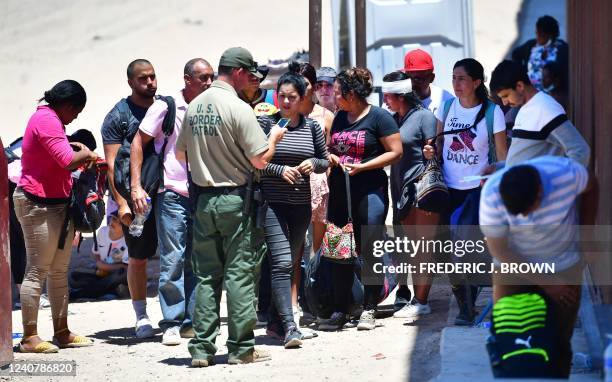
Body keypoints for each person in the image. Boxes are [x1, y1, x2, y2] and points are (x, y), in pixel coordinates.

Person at [176, 47, 286, 367]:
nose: (251, 79)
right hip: (236, 200)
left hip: (202, 200)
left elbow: (181, 155)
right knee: (239, 275)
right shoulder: (239, 109)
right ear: (236, 72)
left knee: (207, 276)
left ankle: (201, 349)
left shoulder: (194, 106)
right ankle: (240, 348)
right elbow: (259, 159)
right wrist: (275, 138)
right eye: (248, 73)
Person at [480, 156, 598, 378]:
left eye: (526, 210)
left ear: (541, 192)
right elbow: (500, 251)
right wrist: (547, 282)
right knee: (510, 339)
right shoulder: (492, 195)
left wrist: (587, 235)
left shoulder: (565, 174)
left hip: (564, 265)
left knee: (559, 342)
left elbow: (592, 184)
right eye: (517, 213)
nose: (523, 217)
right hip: (512, 271)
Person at [129, 58, 214, 346]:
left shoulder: (209, 106)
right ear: (187, 79)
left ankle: (191, 320)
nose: (209, 83)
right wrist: (136, 186)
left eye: (211, 77)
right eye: (203, 78)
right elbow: (138, 142)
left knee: (196, 259)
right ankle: (172, 322)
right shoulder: (166, 105)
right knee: (173, 258)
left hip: (201, 192)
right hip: (172, 192)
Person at [13, 80, 97, 353]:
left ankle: (62, 331)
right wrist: (85, 152)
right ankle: (29, 337)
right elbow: (67, 160)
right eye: (76, 112)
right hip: (37, 204)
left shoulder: (53, 121)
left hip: (57, 204)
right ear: (69, 105)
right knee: (37, 271)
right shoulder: (46, 120)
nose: (75, 118)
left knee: (60, 271)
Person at [423, 58, 508, 325]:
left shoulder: (493, 113)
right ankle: (466, 301)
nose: (456, 83)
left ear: (476, 82)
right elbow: (437, 147)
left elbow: (503, 159)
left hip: (477, 191)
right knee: (452, 250)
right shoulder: (447, 108)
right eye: (454, 78)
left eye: (461, 78)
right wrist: (430, 152)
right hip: (448, 189)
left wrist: (494, 178)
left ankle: (466, 308)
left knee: (464, 249)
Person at [323, 67, 402, 331]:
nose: (335, 98)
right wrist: (332, 157)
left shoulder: (379, 117)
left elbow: (395, 152)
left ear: (352, 94)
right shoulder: (339, 117)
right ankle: (340, 308)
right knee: (338, 248)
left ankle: (369, 307)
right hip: (339, 191)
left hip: (370, 191)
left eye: (338, 93)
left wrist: (363, 166)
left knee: (369, 248)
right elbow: (333, 147)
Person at [257, 71, 329, 348]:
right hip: (273, 204)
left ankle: (276, 323)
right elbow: (258, 162)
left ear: (302, 99)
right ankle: (289, 327)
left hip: (301, 205)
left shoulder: (311, 127)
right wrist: (280, 169)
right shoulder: (267, 124)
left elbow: (324, 160)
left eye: (292, 97)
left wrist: (314, 163)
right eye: (282, 96)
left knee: (292, 262)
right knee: (283, 262)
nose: (286, 102)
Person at [101, 59, 159, 338]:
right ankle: (141, 315)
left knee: (179, 255)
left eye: (152, 77)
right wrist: (121, 202)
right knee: (137, 258)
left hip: (168, 194)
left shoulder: (164, 109)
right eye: (143, 78)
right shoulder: (118, 116)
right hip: (135, 200)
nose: (150, 82)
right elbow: (111, 165)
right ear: (131, 83)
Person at [382, 71, 438, 318]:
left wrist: (430, 151)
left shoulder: (425, 117)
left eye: (388, 96)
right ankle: (411, 296)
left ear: (401, 96)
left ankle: (422, 301)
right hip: (400, 192)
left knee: (423, 248)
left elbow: (434, 149)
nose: (385, 100)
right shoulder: (394, 119)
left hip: (420, 191)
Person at [289, 62, 334, 313]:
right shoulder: (284, 115)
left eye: (305, 83)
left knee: (319, 248)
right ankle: (293, 304)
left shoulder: (326, 116)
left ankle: (317, 300)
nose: (300, 87)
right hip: (292, 187)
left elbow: (332, 154)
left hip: (320, 188)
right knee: (294, 250)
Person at [489, 60, 589, 167]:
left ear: (519, 86)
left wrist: (560, 180)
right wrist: (498, 169)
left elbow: (580, 150)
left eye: (506, 96)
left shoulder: (546, 108)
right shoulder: (524, 108)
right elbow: (525, 160)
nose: (504, 102)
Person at [69, 211, 129, 300]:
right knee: (74, 277)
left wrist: (104, 266)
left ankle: (81, 293)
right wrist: (100, 264)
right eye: (113, 218)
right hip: (101, 273)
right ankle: (110, 290)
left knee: (122, 274)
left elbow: (126, 268)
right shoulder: (103, 232)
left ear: (125, 228)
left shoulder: (127, 241)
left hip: (116, 273)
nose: (113, 222)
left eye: (118, 222)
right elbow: (96, 253)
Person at [511, 15, 568, 92]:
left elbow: (562, 71)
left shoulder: (561, 48)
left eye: (541, 35)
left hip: (552, 93)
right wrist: (521, 72)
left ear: (550, 35)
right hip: (530, 92)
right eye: (537, 33)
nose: (537, 37)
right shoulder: (531, 45)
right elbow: (515, 54)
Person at [403, 49, 454, 114]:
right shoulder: (396, 100)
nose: (412, 83)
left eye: (418, 79)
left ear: (431, 78)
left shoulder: (445, 100)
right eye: (408, 78)